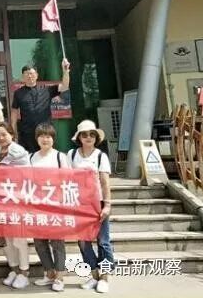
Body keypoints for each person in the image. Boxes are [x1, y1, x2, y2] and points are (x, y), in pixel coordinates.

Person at [67, 120, 113, 294]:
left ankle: (105, 277)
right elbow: (66, 179)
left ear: (96, 137)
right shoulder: (71, 155)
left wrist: (107, 205)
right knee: (83, 241)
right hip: (79, 204)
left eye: (92, 134)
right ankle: (94, 275)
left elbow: (105, 182)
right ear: (79, 137)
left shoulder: (101, 156)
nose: (88, 137)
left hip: (98, 203)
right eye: (84, 134)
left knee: (103, 241)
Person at [0, 122, 31, 290]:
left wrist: (0, 166)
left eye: (4, 134)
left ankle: (24, 272)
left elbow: (26, 175)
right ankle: (13, 269)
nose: (1, 138)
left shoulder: (20, 152)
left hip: (17, 199)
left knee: (19, 238)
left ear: (12, 135)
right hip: (0, 200)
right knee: (6, 239)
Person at [30, 123, 69, 293]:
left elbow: (67, 181)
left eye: (48, 136)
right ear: (37, 138)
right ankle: (49, 273)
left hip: (55, 206)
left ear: (53, 139)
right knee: (39, 242)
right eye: (42, 136)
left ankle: (59, 277)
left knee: (57, 242)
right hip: (37, 206)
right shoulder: (31, 157)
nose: (45, 139)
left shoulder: (60, 157)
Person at [11, 59, 70, 153]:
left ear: (37, 75)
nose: (29, 76)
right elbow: (14, 112)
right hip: (27, 134)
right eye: (27, 74)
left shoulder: (47, 89)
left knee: (47, 156)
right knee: (28, 157)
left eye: (32, 73)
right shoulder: (18, 93)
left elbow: (64, 86)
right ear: (23, 77)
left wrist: (65, 71)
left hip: (45, 132)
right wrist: (13, 129)